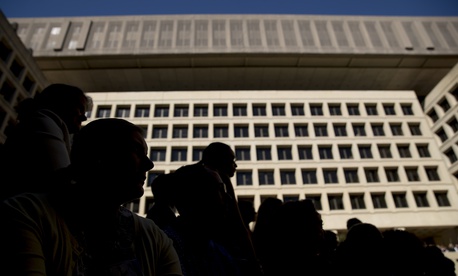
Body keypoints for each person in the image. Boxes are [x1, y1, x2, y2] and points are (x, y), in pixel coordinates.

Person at [0, 118, 183, 276]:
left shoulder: (154, 236)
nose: (149, 164)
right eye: (136, 151)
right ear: (98, 156)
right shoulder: (27, 214)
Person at [163, 163, 262, 276]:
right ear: (196, 195)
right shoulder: (166, 247)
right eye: (219, 189)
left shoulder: (214, 248)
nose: (228, 197)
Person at [0, 83, 90, 199]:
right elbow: (59, 186)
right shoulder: (43, 121)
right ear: (61, 102)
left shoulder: (38, 123)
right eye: (80, 109)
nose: (83, 118)